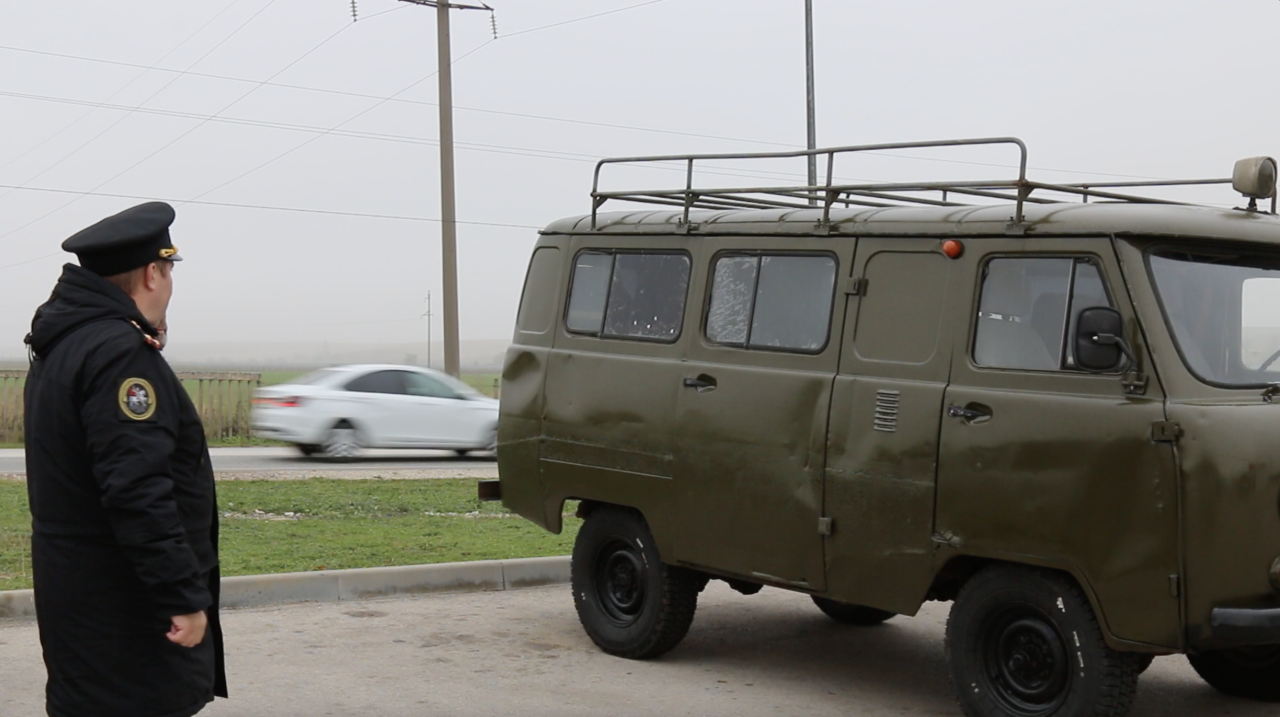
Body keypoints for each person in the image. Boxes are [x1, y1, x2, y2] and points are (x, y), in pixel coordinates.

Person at [23, 202, 226, 717]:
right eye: (169, 270)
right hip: (123, 606)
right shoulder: (119, 354)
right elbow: (137, 488)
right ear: (153, 273)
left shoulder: (65, 344)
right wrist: (182, 595)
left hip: (80, 595)